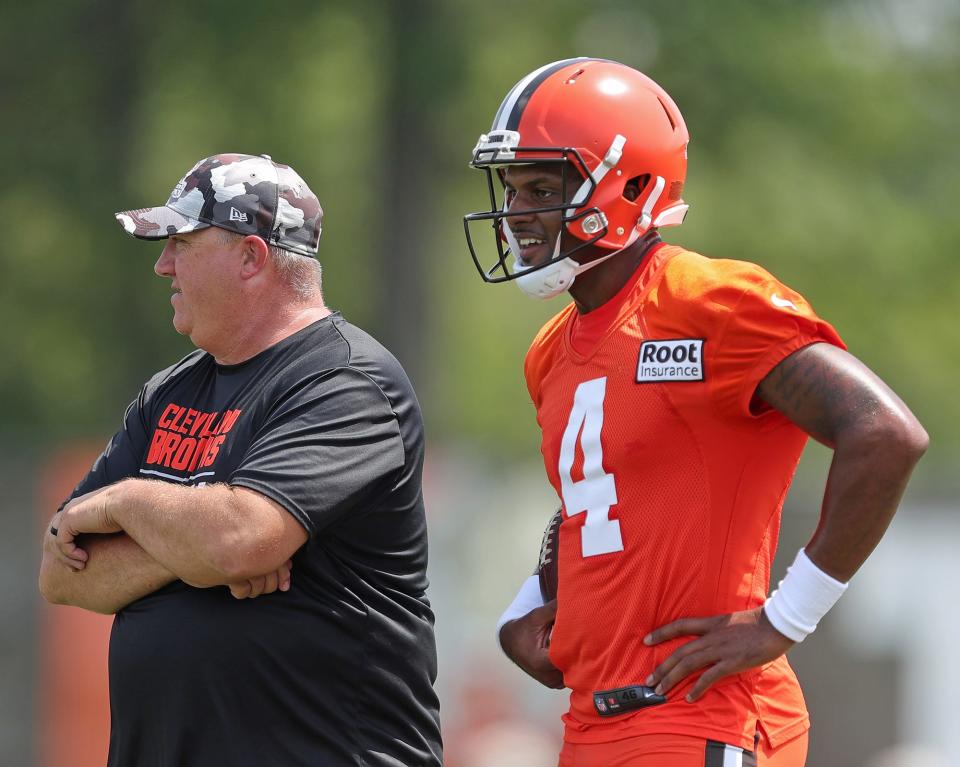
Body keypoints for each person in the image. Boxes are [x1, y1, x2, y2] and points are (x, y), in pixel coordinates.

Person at [462, 58, 928, 767]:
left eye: (541, 188)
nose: (516, 212)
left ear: (635, 184)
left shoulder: (708, 301)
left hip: (701, 717)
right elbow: (593, 502)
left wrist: (785, 616)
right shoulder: (552, 350)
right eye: (511, 188)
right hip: (591, 724)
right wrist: (522, 609)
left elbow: (885, 433)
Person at [39, 153, 443, 767]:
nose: (162, 265)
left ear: (252, 258)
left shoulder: (347, 381)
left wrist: (124, 502)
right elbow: (63, 572)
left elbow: (237, 543)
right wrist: (192, 549)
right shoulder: (169, 391)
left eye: (182, 243)